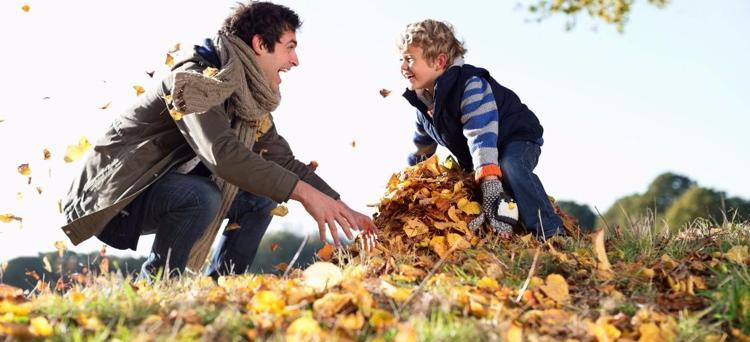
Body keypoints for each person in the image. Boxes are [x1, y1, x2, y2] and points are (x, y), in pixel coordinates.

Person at [61, 1, 377, 279]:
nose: (296, 60)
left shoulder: (245, 97)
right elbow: (222, 154)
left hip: (167, 189)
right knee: (202, 194)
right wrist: (306, 195)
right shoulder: (195, 81)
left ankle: (222, 284)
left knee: (261, 199)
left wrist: (340, 206)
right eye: (290, 46)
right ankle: (156, 281)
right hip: (119, 197)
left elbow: (281, 160)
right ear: (260, 44)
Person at [397, 19, 564, 239]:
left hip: (514, 138)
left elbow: (480, 133)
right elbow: (421, 148)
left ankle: (551, 231)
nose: (403, 67)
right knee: (468, 185)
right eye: (401, 59)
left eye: (410, 59)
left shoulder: (470, 85)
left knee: (510, 166)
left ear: (439, 61)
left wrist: (489, 179)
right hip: (479, 154)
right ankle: (507, 223)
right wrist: (408, 179)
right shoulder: (424, 105)